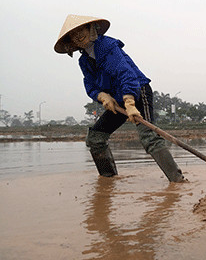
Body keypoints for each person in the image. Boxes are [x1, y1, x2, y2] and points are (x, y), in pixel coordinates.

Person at [54, 14, 185, 182]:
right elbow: (90, 86)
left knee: (149, 138)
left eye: (81, 30)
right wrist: (102, 96)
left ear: (91, 29)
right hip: (117, 100)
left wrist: (130, 103)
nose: (78, 35)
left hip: (138, 90)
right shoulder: (84, 62)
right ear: (70, 42)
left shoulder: (107, 46)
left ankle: (178, 181)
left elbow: (126, 74)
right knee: (95, 138)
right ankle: (108, 181)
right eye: (73, 34)